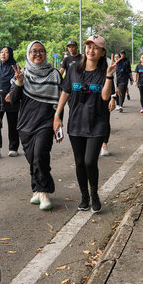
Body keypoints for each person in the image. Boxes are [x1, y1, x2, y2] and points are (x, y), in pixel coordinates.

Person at [54, 35, 116, 213]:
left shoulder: (104, 71)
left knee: (90, 161)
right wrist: (57, 115)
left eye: (96, 47)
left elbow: (105, 96)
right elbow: (66, 92)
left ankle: (94, 194)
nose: (91, 50)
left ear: (102, 52)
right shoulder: (74, 69)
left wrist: (109, 76)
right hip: (76, 122)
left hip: (97, 123)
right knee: (80, 162)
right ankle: (84, 196)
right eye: (89, 46)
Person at [8, 41, 60, 210]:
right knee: (32, 159)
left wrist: (58, 120)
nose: (38, 54)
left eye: (41, 51)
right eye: (34, 51)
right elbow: (13, 100)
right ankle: (36, 189)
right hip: (25, 125)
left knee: (39, 156)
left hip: (45, 123)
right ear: (28, 54)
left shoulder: (54, 74)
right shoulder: (22, 74)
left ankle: (44, 192)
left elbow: (61, 100)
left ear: (45, 53)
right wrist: (19, 83)